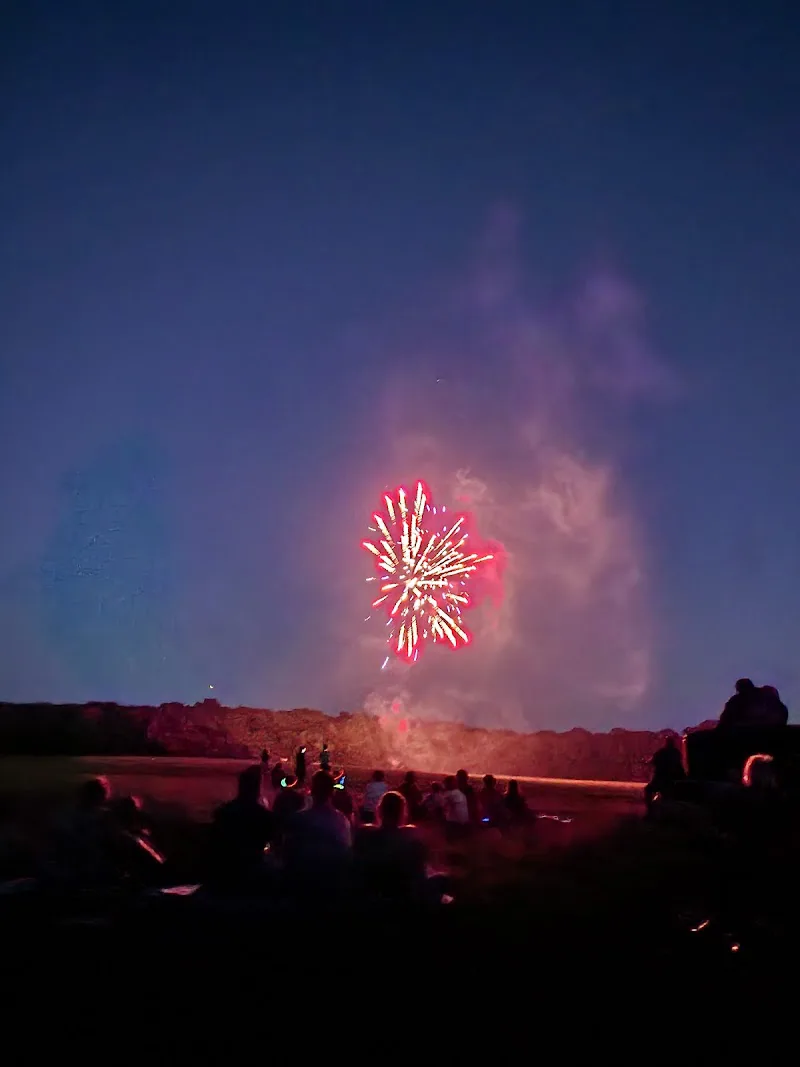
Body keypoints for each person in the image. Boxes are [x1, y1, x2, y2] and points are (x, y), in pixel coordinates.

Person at [283, 771, 352, 899]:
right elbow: (345, 855)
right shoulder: (342, 821)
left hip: (301, 887)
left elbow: (288, 852)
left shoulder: (298, 819)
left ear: (311, 790)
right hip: (330, 888)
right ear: (332, 792)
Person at [354, 791, 428, 904]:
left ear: (379, 811)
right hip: (402, 901)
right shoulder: (411, 838)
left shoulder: (366, 835)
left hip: (370, 901)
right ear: (402, 813)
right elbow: (420, 875)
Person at [209, 765, 275, 891]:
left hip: (227, 869)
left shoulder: (224, 812)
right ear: (256, 789)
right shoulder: (263, 816)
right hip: (251, 869)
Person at [644, 736, 685, 815]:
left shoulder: (662, 752)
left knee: (648, 790)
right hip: (673, 780)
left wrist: (646, 762)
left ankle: (650, 811)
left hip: (661, 779)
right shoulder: (676, 753)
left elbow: (652, 761)